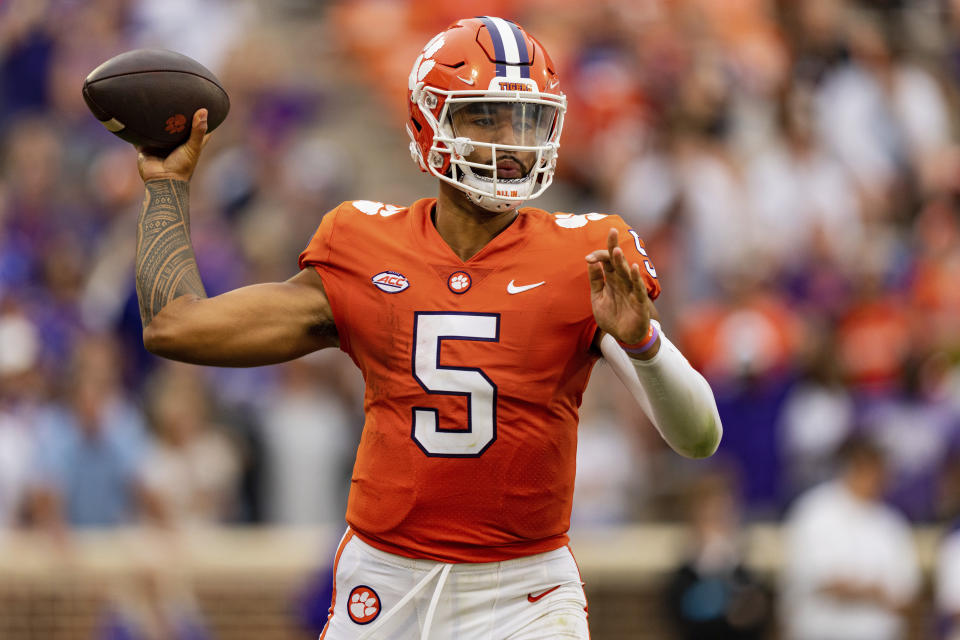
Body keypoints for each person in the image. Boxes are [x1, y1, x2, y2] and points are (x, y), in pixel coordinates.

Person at [130, 16, 722, 639]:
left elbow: (699, 437)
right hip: (385, 582)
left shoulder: (585, 253)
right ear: (427, 120)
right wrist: (167, 187)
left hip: (524, 590)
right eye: (485, 117)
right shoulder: (362, 242)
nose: (512, 141)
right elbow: (175, 327)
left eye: (525, 119)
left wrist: (644, 344)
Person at [780, 435, 920, 640]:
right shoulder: (814, 511)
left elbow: (905, 595)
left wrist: (858, 590)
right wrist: (874, 592)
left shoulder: (892, 523)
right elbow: (825, 583)